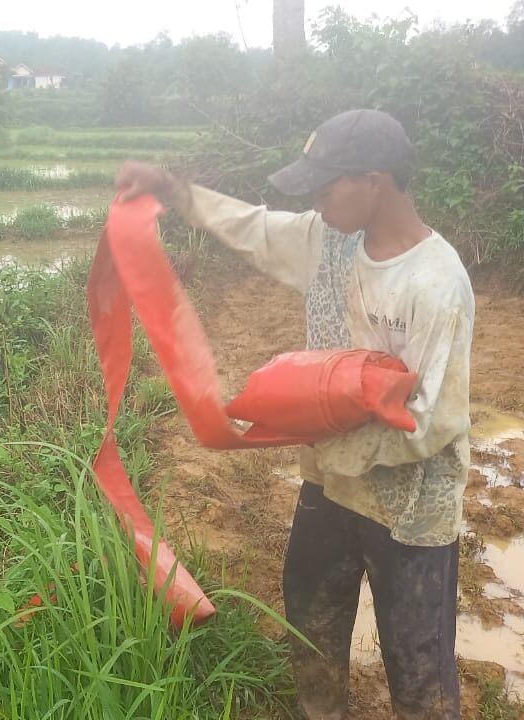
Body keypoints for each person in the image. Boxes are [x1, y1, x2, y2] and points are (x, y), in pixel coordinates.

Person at [115, 109, 474, 719]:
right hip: (331, 489)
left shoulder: (436, 284)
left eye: (326, 184)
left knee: (418, 667)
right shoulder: (328, 240)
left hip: (410, 505)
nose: (315, 200)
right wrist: (173, 191)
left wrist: (313, 429)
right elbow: (254, 228)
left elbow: (431, 421)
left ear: (375, 180)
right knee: (310, 621)